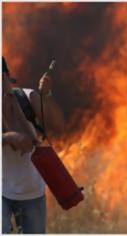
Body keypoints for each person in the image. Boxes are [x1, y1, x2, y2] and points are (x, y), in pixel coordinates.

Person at [2, 57, 65, 233]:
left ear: (6, 77)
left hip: (30, 191)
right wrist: (9, 137)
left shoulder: (27, 97)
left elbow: (58, 125)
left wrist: (45, 95)